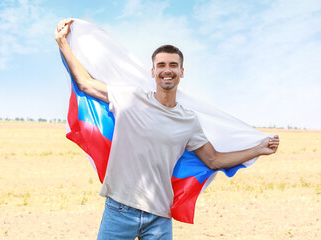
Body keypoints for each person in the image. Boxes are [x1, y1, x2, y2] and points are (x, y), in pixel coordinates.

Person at [55, 18, 280, 240]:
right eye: (161, 65)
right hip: (119, 210)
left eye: (173, 65)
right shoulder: (130, 98)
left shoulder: (189, 121)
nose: (167, 70)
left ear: (182, 72)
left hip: (160, 218)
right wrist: (63, 42)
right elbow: (85, 83)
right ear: (152, 72)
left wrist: (258, 149)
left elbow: (214, 160)